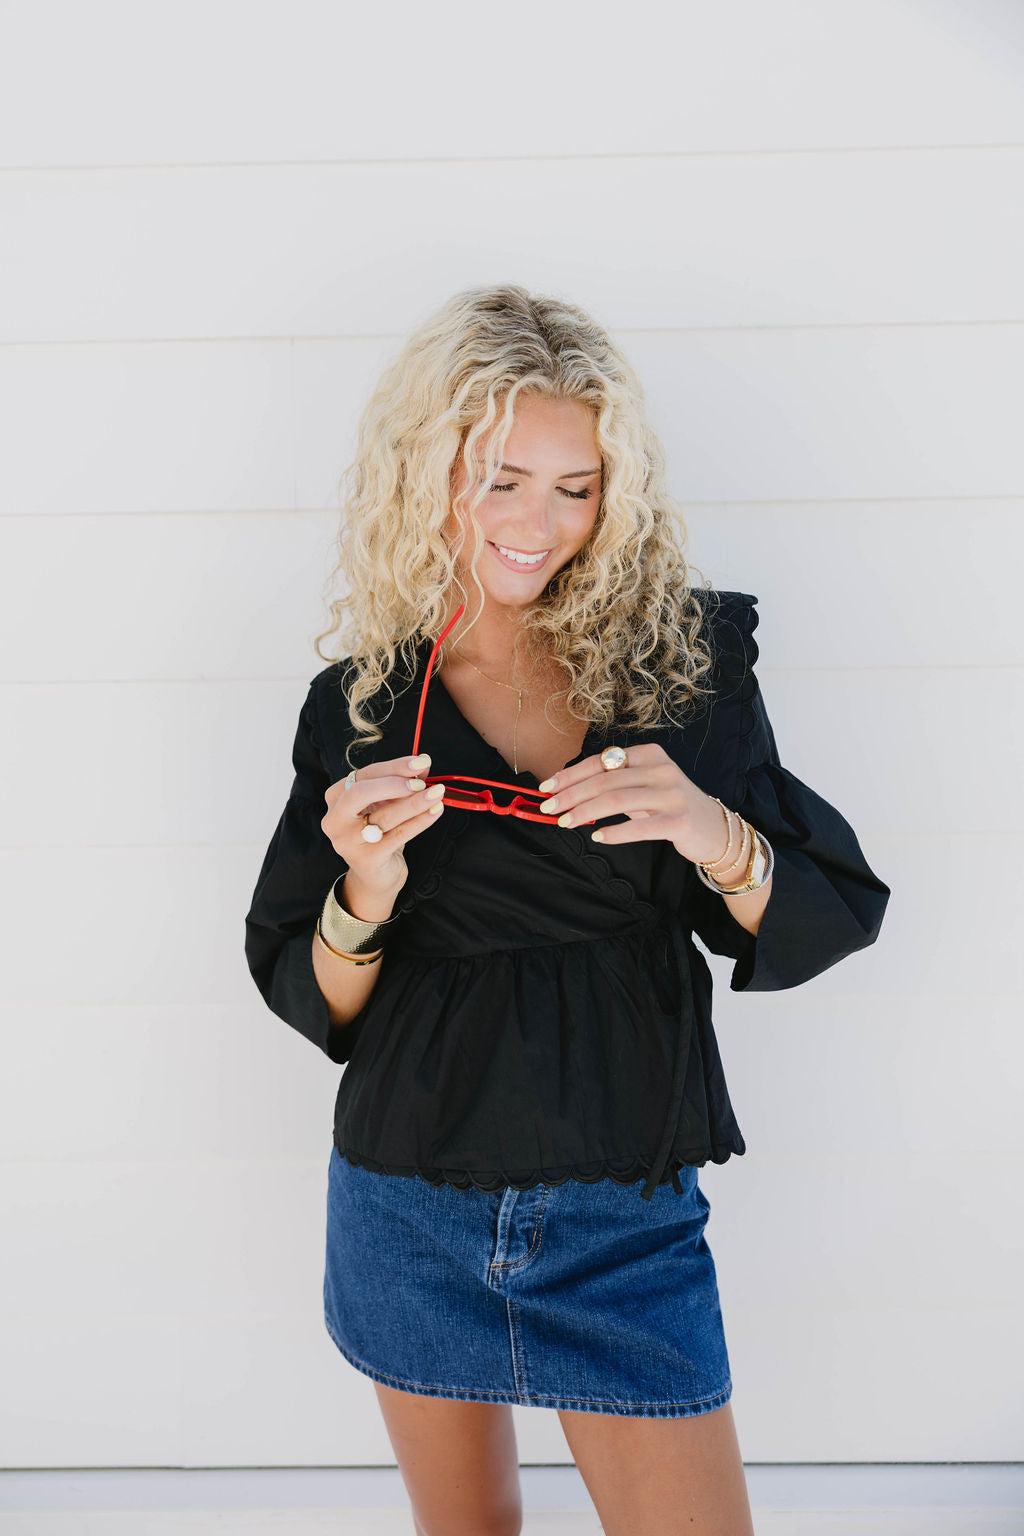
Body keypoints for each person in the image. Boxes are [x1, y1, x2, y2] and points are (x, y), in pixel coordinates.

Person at [244, 283, 890, 1536]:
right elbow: (316, 1002)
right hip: (407, 1202)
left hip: (620, 1212)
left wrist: (708, 829)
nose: (537, 523)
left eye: (575, 487)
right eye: (500, 479)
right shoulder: (362, 707)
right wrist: (366, 890)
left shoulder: (681, 666)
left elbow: (822, 911)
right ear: (428, 474)